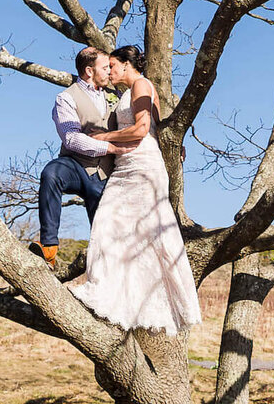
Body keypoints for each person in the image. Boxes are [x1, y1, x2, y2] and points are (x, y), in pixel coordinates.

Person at [75, 44, 201, 335]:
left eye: (113, 66)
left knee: (142, 233)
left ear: (125, 65)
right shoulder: (127, 92)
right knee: (117, 229)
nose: (110, 71)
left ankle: (144, 300)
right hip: (126, 164)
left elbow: (143, 128)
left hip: (142, 165)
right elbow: (159, 125)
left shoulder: (142, 84)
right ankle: (117, 298)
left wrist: (102, 135)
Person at [29, 48, 114, 267]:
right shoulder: (66, 98)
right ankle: (48, 248)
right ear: (89, 71)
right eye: (105, 68)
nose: (109, 71)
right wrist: (110, 148)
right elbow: (72, 139)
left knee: (104, 239)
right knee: (51, 173)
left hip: (106, 176)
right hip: (75, 166)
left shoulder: (116, 95)